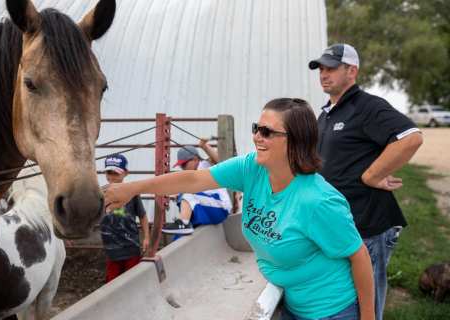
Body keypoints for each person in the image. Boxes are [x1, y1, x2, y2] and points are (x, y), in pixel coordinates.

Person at [104, 98, 375, 320]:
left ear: (295, 141)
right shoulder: (252, 168)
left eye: (267, 132)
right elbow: (194, 179)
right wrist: (135, 187)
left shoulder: (318, 201)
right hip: (294, 303)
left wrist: (368, 318)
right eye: (257, 128)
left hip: (333, 311)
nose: (257, 136)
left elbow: (359, 256)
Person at [309, 43, 423, 320]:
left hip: (367, 226)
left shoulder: (367, 106)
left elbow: (411, 137)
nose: (324, 74)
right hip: (339, 225)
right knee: (345, 301)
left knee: (367, 307)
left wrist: (372, 175)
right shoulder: (326, 113)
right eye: (321, 68)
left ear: (352, 70)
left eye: (331, 68)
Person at [162, 140, 232, 235]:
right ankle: (184, 224)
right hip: (212, 207)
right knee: (178, 236)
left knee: (187, 193)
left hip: (220, 208)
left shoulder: (206, 165)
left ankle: (184, 223)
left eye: (184, 164)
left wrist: (204, 146)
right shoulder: (190, 175)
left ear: (195, 159)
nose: (182, 168)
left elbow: (221, 161)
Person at [100, 154, 150, 283]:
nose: (112, 177)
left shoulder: (132, 193)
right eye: (109, 173)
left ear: (126, 173)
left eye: (115, 173)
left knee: (133, 281)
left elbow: (142, 216)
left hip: (131, 246)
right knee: (112, 283)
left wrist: (146, 237)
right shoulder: (100, 194)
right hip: (111, 249)